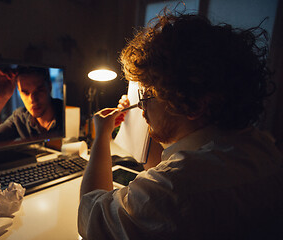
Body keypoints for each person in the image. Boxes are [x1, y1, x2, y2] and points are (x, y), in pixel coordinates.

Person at [78, 12, 283, 240]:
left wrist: (101, 137)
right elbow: (168, 164)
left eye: (147, 96)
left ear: (193, 105)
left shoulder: (173, 191)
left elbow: (90, 220)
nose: (141, 108)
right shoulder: (264, 148)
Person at [0, 66, 63, 152]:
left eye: (39, 90)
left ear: (49, 87)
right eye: (25, 92)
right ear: (19, 92)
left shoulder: (67, 114)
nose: (32, 99)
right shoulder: (20, 118)